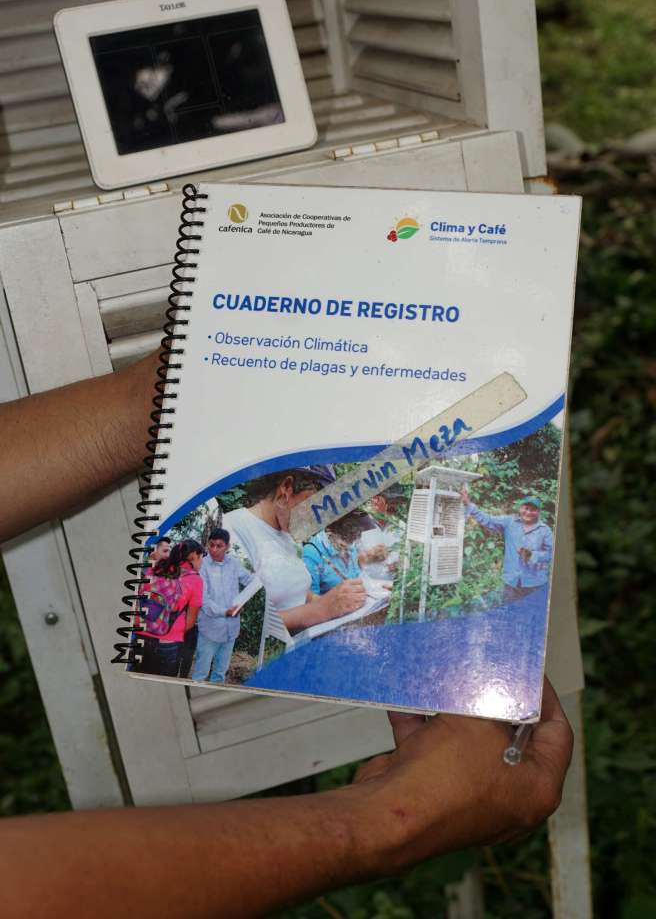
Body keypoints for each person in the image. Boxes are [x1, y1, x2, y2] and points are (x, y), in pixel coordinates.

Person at [0, 354, 574, 917]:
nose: (323, 515)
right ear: (288, 489)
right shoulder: (230, 533)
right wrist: (393, 822)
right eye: (314, 502)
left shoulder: (285, 535)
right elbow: (246, 617)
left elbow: (302, 592)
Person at [223, 466, 367, 632]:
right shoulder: (233, 531)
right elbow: (241, 621)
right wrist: (322, 610)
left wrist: (338, 600)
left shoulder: (289, 535)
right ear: (287, 487)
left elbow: (298, 593)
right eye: (314, 507)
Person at [461, 486, 554, 604]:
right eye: (526, 508)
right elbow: (487, 520)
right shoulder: (509, 522)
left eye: (533, 509)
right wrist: (468, 503)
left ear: (538, 512)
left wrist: (533, 555)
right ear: (520, 508)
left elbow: (551, 554)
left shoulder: (545, 530)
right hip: (511, 582)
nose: (528, 512)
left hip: (535, 583)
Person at [192, 527, 253, 684]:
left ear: (227, 546)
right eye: (211, 545)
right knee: (200, 673)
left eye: (219, 546)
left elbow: (250, 580)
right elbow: (204, 601)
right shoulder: (203, 566)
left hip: (230, 630)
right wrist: (226, 611)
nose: (214, 549)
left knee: (220, 673)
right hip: (210, 629)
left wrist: (243, 601)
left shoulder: (233, 563)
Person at [139, 539, 204, 677]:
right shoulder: (195, 580)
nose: (201, 562)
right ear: (194, 556)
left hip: (141, 636)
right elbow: (190, 622)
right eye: (201, 558)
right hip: (168, 642)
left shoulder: (157, 567)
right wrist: (170, 628)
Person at [303, 511, 369, 596]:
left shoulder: (350, 545)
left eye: (351, 546)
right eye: (341, 546)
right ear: (329, 533)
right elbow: (310, 601)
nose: (348, 550)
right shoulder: (311, 554)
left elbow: (357, 574)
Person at [358, 484, 406, 584]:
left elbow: (408, 556)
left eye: (397, 502)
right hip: (365, 588)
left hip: (393, 588)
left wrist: (401, 565)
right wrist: (367, 557)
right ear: (375, 500)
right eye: (391, 501)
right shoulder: (358, 525)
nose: (394, 506)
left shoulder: (402, 527)